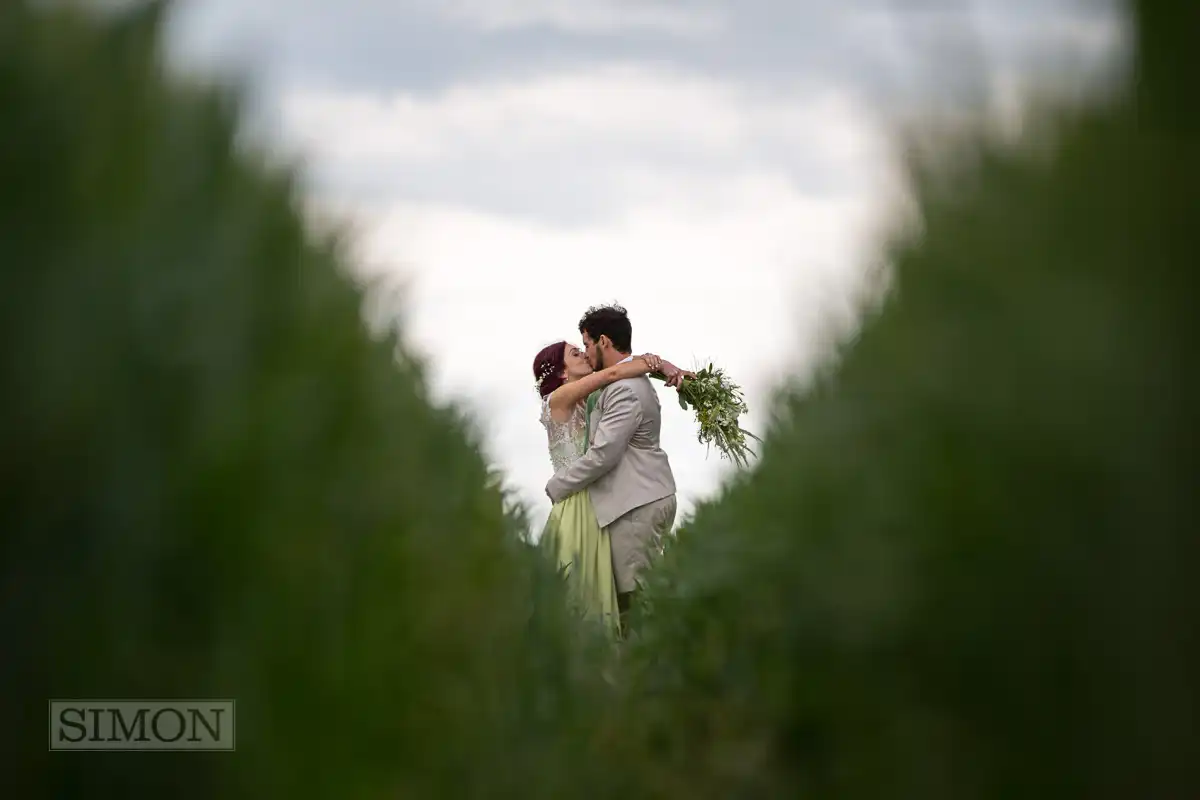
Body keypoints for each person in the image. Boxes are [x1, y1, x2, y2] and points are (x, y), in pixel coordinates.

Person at [534, 337, 687, 638]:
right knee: (577, 594)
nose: (584, 355)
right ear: (562, 373)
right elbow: (615, 372)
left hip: (597, 507)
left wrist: (663, 367)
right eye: (575, 353)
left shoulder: (590, 397)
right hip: (573, 508)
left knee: (604, 594)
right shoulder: (558, 399)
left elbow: (618, 368)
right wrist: (663, 365)